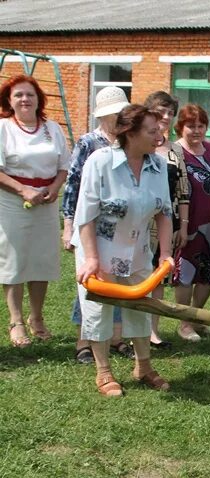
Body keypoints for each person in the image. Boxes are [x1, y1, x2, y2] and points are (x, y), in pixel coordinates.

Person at [74, 104, 174, 397]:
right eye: (152, 131)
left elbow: (164, 213)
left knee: (141, 308)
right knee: (99, 311)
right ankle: (104, 372)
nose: (159, 136)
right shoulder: (100, 162)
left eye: (160, 130)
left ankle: (143, 366)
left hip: (138, 250)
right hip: (99, 251)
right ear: (129, 133)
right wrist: (92, 258)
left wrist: (165, 253)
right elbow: (86, 214)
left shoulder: (157, 166)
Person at [62, 86, 132, 363]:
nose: (118, 118)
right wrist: (68, 225)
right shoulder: (89, 143)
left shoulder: (128, 143)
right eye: (113, 114)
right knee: (90, 284)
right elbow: (72, 186)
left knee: (116, 282)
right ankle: (84, 341)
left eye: (121, 113)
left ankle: (116, 337)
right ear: (102, 117)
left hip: (121, 229)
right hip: (90, 226)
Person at [0, 74, 69, 348]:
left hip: (47, 201)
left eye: (30, 94)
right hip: (12, 202)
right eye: (18, 95)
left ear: (39, 98)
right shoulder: (3, 128)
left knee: (42, 261)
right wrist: (23, 190)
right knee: (15, 261)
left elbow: (64, 164)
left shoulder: (52, 128)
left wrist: (55, 187)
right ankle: (16, 321)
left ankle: (37, 318)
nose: (25, 99)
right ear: (9, 100)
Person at [173, 104, 210, 342]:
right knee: (186, 269)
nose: (196, 130)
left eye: (201, 125)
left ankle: (197, 317)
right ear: (180, 127)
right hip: (190, 221)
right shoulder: (174, 152)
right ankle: (184, 323)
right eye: (190, 126)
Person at [144, 91, 189, 349]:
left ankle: (152, 331)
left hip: (167, 223)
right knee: (136, 275)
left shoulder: (175, 151)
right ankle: (127, 331)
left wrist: (182, 225)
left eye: (170, 113)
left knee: (159, 276)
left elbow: (184, 192)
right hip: (139, 222)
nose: (166, 117)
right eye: (161, 111)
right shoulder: (138, 145)